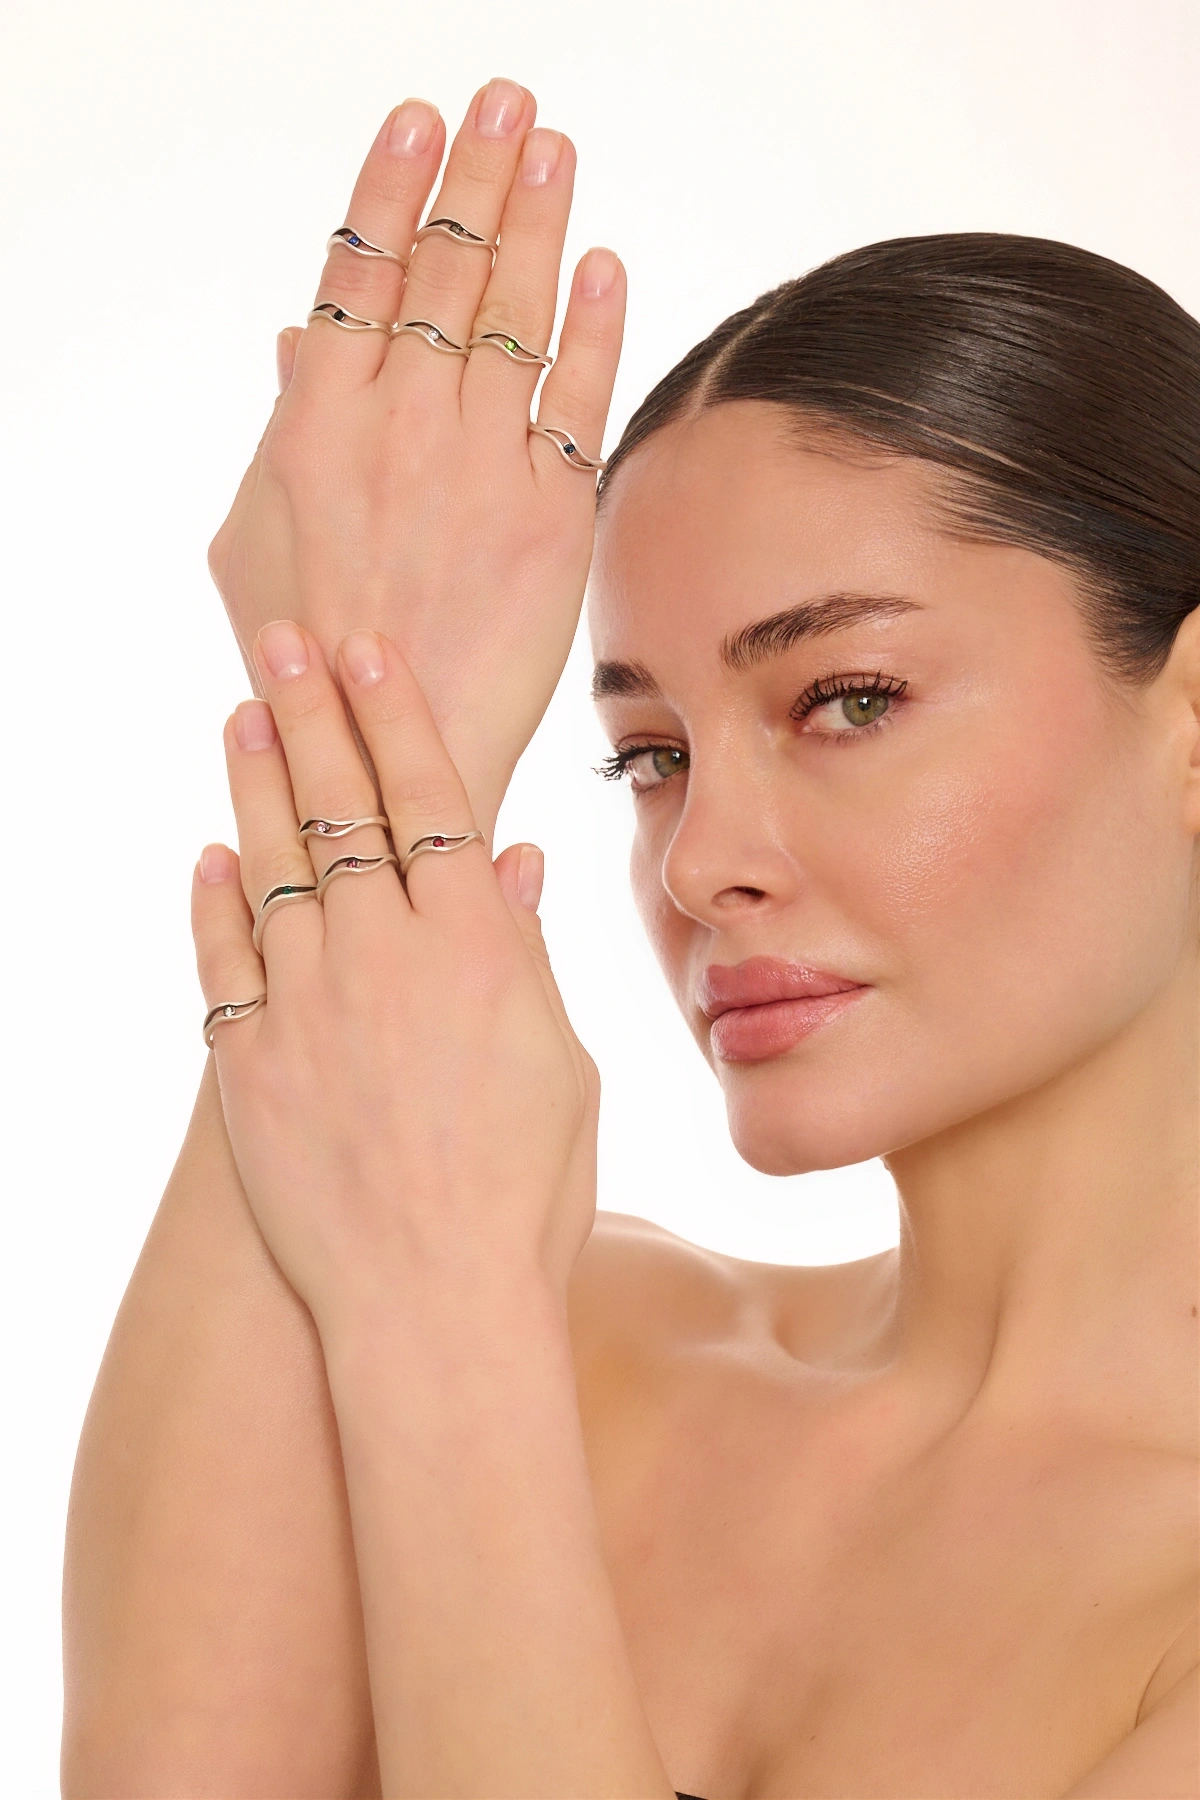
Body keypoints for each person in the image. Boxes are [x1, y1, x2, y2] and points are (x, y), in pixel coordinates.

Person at [61, 78, 1198, 1800]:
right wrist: (368, 690)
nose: (702, 864)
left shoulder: (460, 1307)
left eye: (849, 700)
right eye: (651, 755)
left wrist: (443, 1323)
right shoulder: (567, 1331)